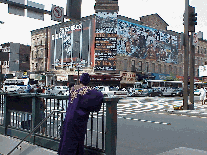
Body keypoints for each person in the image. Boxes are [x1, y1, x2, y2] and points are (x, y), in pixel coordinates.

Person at [58, 73, 103, 155]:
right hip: (77, 120)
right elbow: (98, 95)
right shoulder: (87, 90)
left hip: (68, 117)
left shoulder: (73, 89)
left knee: (66, 139)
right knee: (76, 141)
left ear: (79, 80)